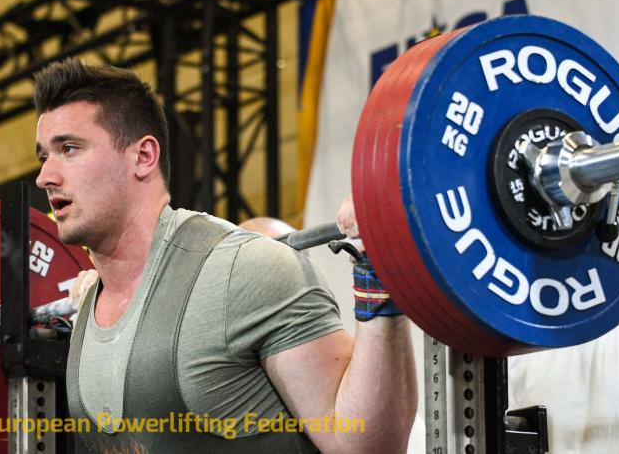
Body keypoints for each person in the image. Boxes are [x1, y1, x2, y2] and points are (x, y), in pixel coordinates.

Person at [33, 58, 417, 453]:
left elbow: (365, 445)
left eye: (69, 149)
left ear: (143, 156)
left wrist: (376, 269)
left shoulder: (244, 270)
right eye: (44, 156)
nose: (45, 177)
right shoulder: (89, 309)